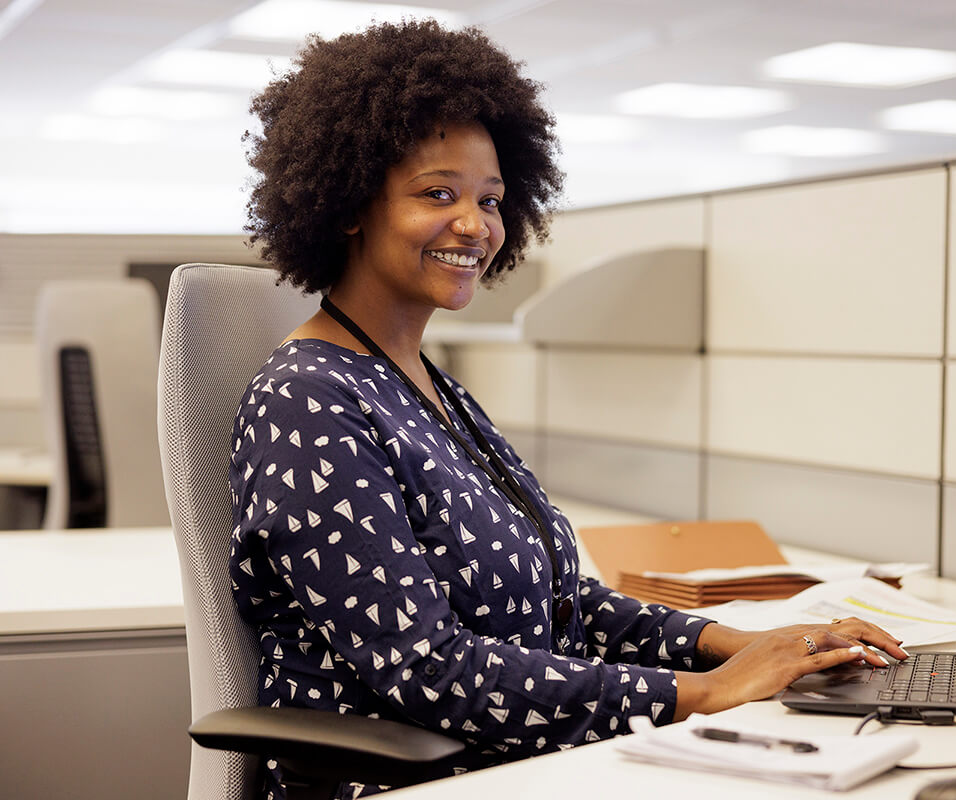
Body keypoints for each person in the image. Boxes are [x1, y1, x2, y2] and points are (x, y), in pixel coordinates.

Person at [230, 18, 908, 800]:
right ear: (348, 202)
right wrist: (704, 694)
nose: (474, 226)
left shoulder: (427, 384)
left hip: (522, 758)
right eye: (437, 194)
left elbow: (562, 605)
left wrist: (747, 646)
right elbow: (428, 668)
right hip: (415, 780)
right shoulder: (308, 401)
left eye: (491, 200)